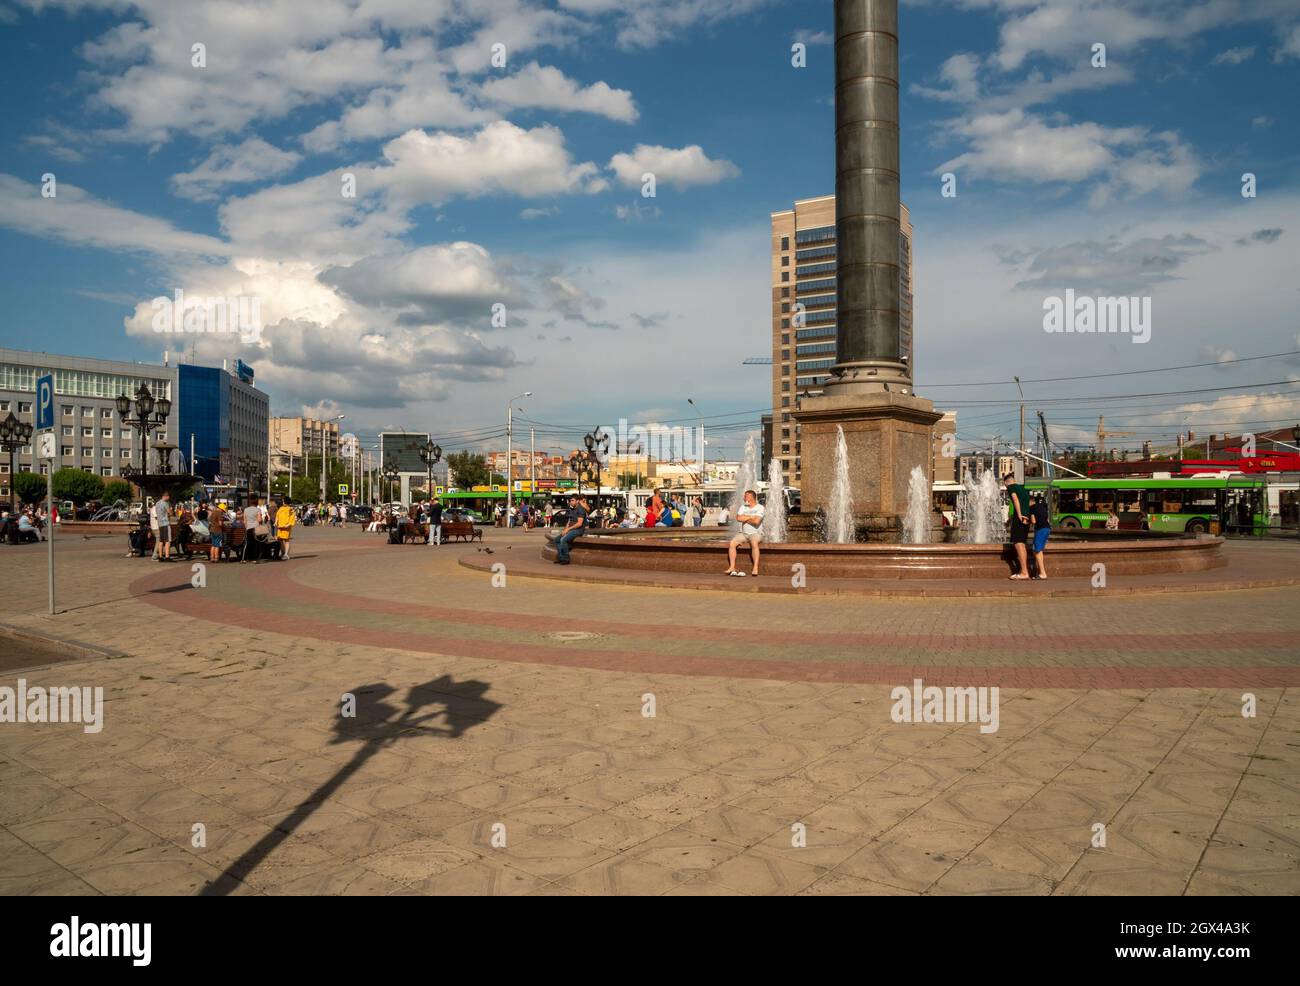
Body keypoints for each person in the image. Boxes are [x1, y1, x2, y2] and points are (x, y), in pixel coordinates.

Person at [725, 490, 764, 577]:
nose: (744, 497)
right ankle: (732, 567)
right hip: (743, 533)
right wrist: (751, 517)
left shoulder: (760, 507)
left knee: (754, 543)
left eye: (746, 496)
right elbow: (738, 518)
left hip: (756, 533)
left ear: (752, 497)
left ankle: (755, 567)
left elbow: (757, 522)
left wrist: (745, 518)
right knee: (732, 543)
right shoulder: (743, 507)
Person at [1003, 473, 1031, 580]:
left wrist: (1019, 515)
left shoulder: (1011, 487)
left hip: (1020, 519)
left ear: (1007, 482)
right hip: (1026, 519)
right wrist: (1010, 520)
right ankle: (1025, 571)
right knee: (1022, 544)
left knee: (1018, 544)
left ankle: (1024, 572)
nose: (1006, 487)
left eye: (1005, 485)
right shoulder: (1023, 489)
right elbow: (1027, 504)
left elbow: (1015, 499)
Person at [553, 495, 587, 565]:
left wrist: (568, 529)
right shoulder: (572, 509)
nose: (570, 502)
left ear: (577, 501)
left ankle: (566, 559)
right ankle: (561, 557)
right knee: (556, 540)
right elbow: (569, 521)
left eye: (572, 500)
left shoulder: (581, 510)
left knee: (563, 540)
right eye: (570, 501)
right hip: (571, 529)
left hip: (578, 530)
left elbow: (579, 524)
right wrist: (565, 529)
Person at [1030, 493, 1051, 580]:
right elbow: (1047, 519)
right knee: (1039, 550)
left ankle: (1042, 573)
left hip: (1040, 529)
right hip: (1047, 529)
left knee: (1037, 550)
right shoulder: (1042, 506)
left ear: (1030, 502)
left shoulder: (1031, 508)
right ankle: (1040, 571)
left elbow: (1034, 521)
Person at [153, 492, 173, 562]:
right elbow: (170, 513)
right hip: (165, 523)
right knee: (167, 541)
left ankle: (160, 557)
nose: (169, 498)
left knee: (161, 541)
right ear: (166, 496)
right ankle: (167, 557)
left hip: (160, 524)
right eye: (169, 496)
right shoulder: (165, 503)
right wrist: (171, 510)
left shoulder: (157, 503)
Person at [242, 496, 263, 563]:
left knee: (248, 543)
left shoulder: (246, 510)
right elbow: (259, 520)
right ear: (256, 502)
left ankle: (244, 559)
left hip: (248, 528)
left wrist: (246, 527)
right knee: (256, 544)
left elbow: (245, 521)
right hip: (256, 528)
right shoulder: (258, 510)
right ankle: (254, 559)